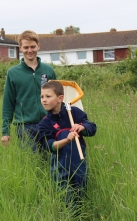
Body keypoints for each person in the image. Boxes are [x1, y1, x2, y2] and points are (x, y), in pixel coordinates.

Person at [37, 81, 97, 210]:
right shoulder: (44, 123)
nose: (44, 100)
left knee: (80, 192)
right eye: (42, 96)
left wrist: (82, 127)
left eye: (48, 96)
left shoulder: (74, 112)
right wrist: (66, 140)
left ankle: (81, 218)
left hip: (78, 162)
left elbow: (92, 128)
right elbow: (49, 146)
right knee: (65, 196)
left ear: (60, 98)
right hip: (59, 165)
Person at [1, 30, 57, 152]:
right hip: (25, 127)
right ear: (20, 47)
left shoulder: (49, 70)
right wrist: (5, 131)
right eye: (26, 47)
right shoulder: (13, 73)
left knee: (51, 160)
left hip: (48, 123)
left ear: (38, 46)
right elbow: (8, 103)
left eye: (32, 46)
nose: (29, 50)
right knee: (32, 164)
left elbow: (58, 99)